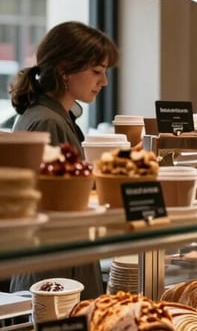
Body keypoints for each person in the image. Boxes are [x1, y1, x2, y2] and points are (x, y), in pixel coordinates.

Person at [9, 21, 119, 299]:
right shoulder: (48, 122)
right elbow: (60, 202)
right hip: (56, 273)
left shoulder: (51, 116)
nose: (103, 82)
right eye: (97, 72)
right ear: (64, 69)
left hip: (57, 266)